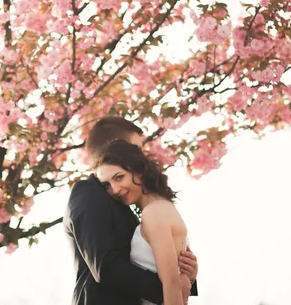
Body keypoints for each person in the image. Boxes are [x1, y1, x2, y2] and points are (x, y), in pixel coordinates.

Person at [63, 116, 197, 305]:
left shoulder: (133, 206)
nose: (141, 157)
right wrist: (172, 286)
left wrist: (188, 277)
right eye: (137, 149)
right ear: (117, 149)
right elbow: (105, 266)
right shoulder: (88, 192)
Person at [95, 138, 191, 305]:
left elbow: (172, 283)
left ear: (138, 169)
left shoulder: (153, 212)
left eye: (119, 177)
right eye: (107, 185)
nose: (115, 190)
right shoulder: (162, 207)